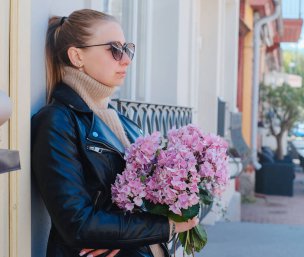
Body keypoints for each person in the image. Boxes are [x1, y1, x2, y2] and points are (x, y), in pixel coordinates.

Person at [31, 9, 197, 257]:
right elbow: (78, 225)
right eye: (114, 49)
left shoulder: (124, 123)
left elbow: (140, 204)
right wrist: (167, 226)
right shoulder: (58, 122)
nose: (126, 59)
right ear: (77, 56)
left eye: (127, 49)